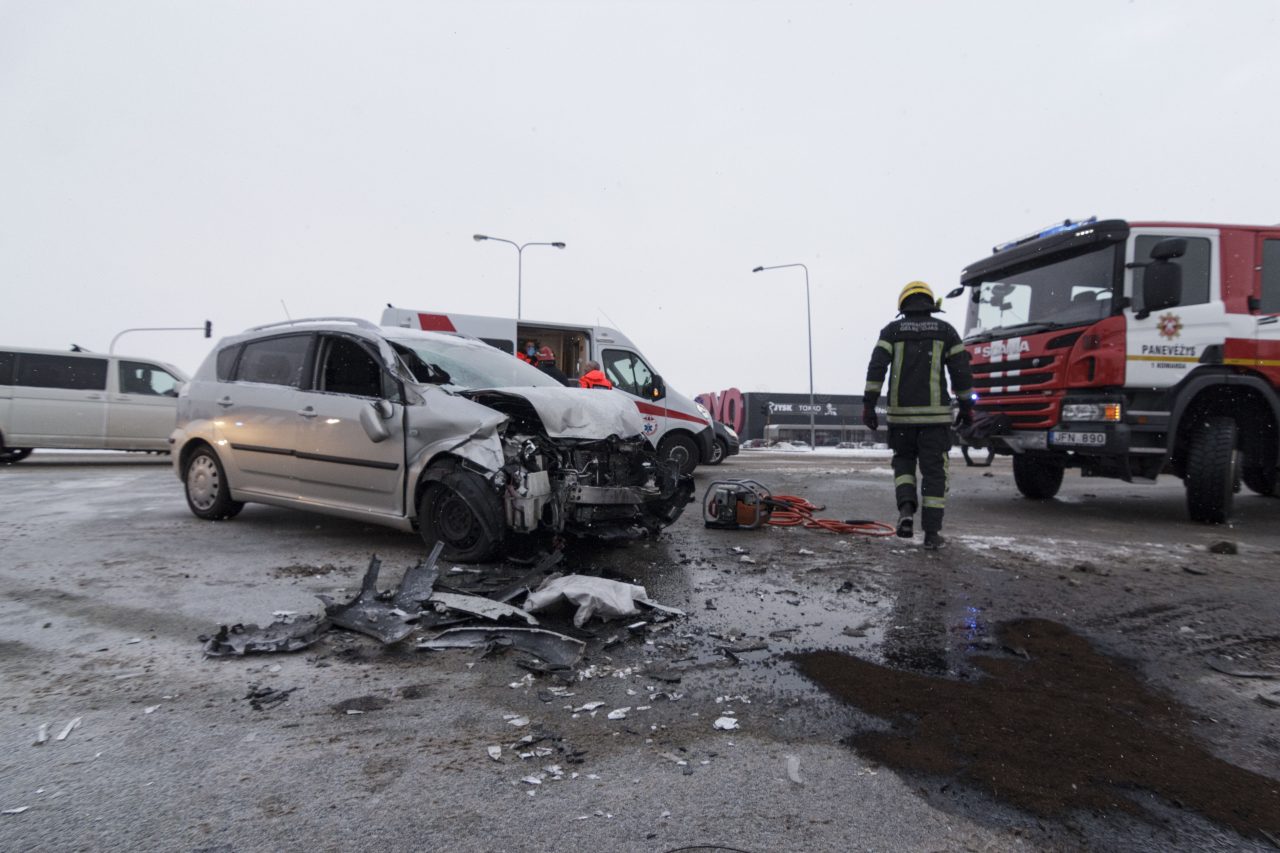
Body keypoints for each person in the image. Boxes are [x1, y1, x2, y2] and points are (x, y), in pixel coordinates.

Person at [861, 281, 973, 550]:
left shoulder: (892, 331)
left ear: (904, 305)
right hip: (935, 422)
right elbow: (961, 373)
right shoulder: (946, 331)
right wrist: (967, 407)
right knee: (934, 474)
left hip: (900, 420)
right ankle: (932, 534)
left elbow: (876, 368)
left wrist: (869, 405)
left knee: (904, 466)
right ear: (931, 304)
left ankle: (906, 512)